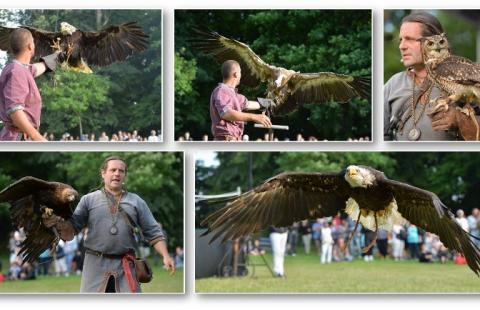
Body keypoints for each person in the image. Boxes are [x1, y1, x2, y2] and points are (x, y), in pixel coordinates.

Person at [43, 156, 176, 293]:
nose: (117, 174)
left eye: (121, 171)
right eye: (113, 170)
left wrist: (166, 256)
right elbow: (72, 229)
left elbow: (153, 231)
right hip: (95, 265)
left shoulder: (136, 201)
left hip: (125, 265)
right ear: (103, 173)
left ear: (124, 175)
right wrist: (58, 223)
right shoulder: (88, 200)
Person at [384, 11, 480, 141]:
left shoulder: (454, 69)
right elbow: (382, 135)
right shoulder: (393, 84)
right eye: (401, 40)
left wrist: (461, 120)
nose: (402, 46)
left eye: (410, 39)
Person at [0, 28, 62, 141]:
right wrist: (39, 138)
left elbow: (38, 67)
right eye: (33, 42)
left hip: (21, 136)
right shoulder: (17, 72)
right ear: (30, 46)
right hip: (17, 138)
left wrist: (56, 57)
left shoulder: (18, 69)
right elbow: (15, 110)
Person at [210, 60, 273, 141]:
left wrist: (268, 103)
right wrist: (255, 117)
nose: (241, 75)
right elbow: (226, 113)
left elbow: (247, 104)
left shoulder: (233, 94)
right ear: (236, 74)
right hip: (226, 140)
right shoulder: (222, 90)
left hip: (234, 139)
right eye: (240, 72)